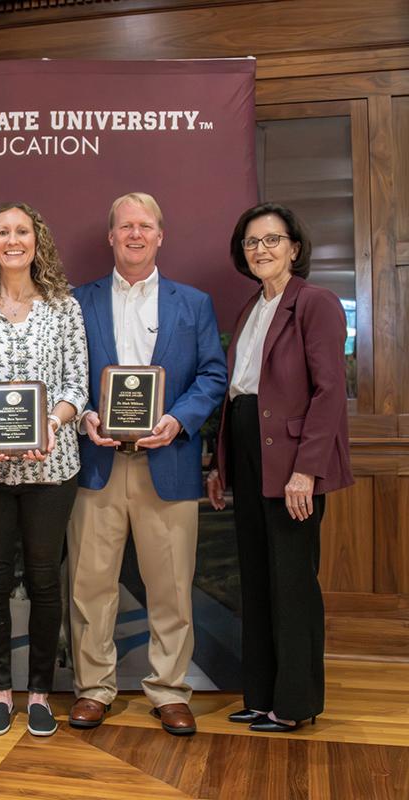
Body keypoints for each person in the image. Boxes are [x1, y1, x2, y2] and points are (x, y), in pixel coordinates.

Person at [67, 192, 227, 737]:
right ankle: (94, 688)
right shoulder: (76, 301)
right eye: (125, 226)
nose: (135, 234)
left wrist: (179, 420)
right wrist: (85, 413)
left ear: (161, 235)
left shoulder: (194, 303)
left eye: (145, 225)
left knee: (171, 588)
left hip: (169, 461)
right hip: (97, 463)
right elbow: (64, 374)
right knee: (91, 585)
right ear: (110, 237)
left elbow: (212, 376)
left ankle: (169, 689)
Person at [208, 202, 352, 732]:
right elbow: (239, 395)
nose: (261, 249)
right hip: (249, 452)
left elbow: (330, 392)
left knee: (292, 583)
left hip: (292, 460)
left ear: (294, 246)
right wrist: (222, 463)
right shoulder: (250, 309)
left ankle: (294, 704)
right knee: (256, 581)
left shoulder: (316, 303)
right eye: (251, 242)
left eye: (272, 239)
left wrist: (306, 471)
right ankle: (261, 693)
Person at [0, 202, 89, 737]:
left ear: (37, 240)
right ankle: (0, 692)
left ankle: (38, 694)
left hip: (49, 465)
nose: (13, 240)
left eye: (22, 231)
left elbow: (76, 384)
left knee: (44, 579)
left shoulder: (63, 307)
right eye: (2, 232)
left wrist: (52, 424)